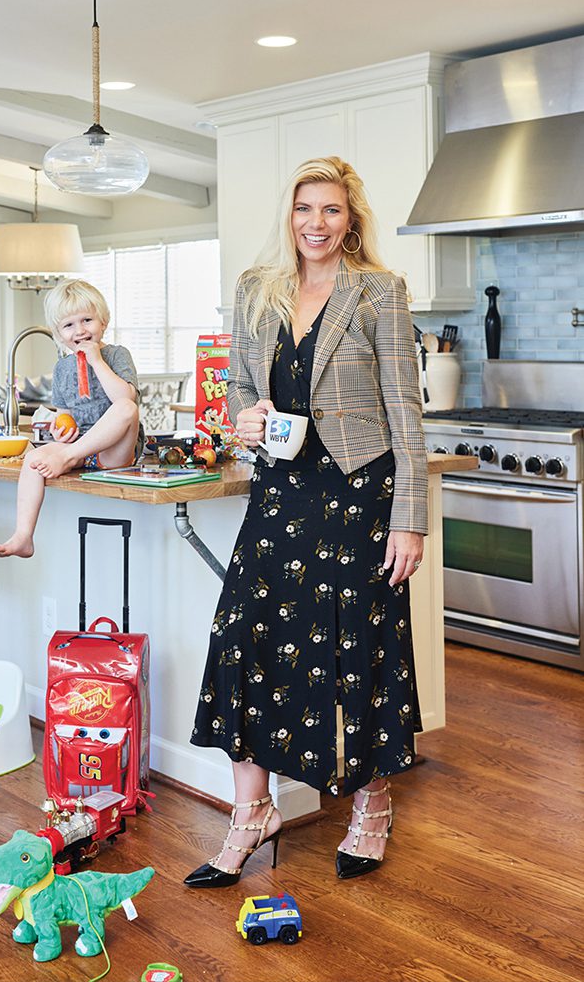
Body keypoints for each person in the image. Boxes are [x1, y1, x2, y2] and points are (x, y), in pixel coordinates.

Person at [186, 156, 427, 887]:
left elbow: (405, 409)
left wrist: (409, 520)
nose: (315, 224)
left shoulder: (378, 292)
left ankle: (371, 806)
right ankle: (252, 813)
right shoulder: (255, 290)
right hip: (280, 492)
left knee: (358, 650)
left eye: (330, 210)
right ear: (287, 216)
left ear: (350, 218)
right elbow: (234, 386)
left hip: (359, 494)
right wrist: (244, 417)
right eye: (304, 209)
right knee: (241, 636)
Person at [0, 279, 143, 558]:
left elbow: (126, 397)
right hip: (79, 446)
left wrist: (96, 361)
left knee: (126, 408)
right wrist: (61, 430)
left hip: (114, 452)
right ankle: (24, 535)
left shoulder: (116, 354)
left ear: (104, 321)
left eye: (87, 320)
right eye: (69, 325)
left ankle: (68, 457)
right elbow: (64, 414)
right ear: (59, 334)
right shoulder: (62, 368)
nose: (80, 330)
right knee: (33, 460)